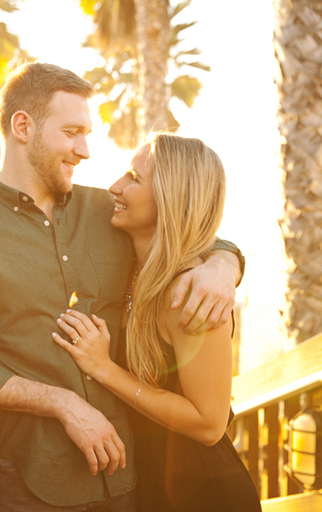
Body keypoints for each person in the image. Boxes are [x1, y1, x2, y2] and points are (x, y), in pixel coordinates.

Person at [0, 62, 243, 511]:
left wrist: (225, 264)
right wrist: (62, 403)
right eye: (72, 132)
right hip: (34, 480)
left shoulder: (108, 211)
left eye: (86, 134)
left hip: (131, 477)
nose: (84, 150)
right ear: (23, 126)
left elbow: (183, 227)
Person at [53, 134, 261, 512]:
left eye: (134, 177)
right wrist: (226, 260)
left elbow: (210, 424)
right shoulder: (133, 269)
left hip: (204, 496)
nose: (115, 186)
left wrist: (104, 368)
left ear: (170, 197)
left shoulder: (192, 293)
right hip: (151, 487)